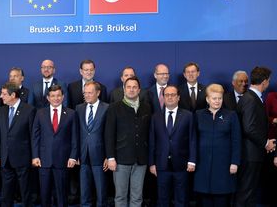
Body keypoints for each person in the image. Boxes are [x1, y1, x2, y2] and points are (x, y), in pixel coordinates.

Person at [105, 76, 151, 207]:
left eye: (134, 87)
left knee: (137, 197)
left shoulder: (146, 107)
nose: (132, 90)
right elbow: (109, 134)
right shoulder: (114, 108)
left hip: (141, 159)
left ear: (139, 90)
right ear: (124, 89)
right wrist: (110, 158)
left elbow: (149, 134)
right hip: (120, 159)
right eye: (129, 87)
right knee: (120, 196)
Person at [148, 85, 196, 207]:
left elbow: (192, 139)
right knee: (162, 199)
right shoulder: (155, 117)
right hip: (161, 165)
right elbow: (152, 141)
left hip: (182, 165)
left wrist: (192, 161)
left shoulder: (188, 116)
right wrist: (152, 163)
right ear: (163, 97)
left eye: (173, 95)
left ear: (178, 97)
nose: (170, 97)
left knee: (181, 199)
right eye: (167, 95)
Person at [194, 84, 241, 206]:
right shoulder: (198, 115)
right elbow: (193, 139)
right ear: (207, 99)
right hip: (202, 165)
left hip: (224, 166)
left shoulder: (231, 115)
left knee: (221, 200)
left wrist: (235, 162)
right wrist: (192, 161)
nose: (217, 101)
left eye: (219, 98)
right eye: (214, 98)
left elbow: (236, 140)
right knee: (204, 200)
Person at [235, 66, 275, 207]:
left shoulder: (251, 97)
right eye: (268, 81)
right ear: (264, 82)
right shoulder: (250, 99)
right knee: (245, 192)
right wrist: (266, 143)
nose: (268, 83)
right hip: (250, 154)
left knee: (250, 193)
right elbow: (249, 128)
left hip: (253, 154)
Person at [32, 84, 78, 207]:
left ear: (63, 97)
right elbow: (35, 136)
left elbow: (75, 137)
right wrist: (35, 156)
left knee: (62, 195)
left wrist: (73, 156)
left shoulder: (71, 113)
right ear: (48, 98)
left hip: (63, 160)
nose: (56, 98)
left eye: (58, 95)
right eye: (53, 96)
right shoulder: (40, 113)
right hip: (43, 160)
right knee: (45, 195)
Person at [0, 82, 36, 207]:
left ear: (13, 95)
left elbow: (33, 136)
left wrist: (34, 157)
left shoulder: (29, 110)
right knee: (6, 194)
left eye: (4, 94)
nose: (1, 96)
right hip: (5, 158)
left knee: (25, 192)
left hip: (23, 158)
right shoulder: (1, 110)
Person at [76, 81, 109, 207]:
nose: (87, 95)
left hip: (100, 156)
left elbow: (109, 134)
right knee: (84, 192)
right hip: (83, 156)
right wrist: (76, 154)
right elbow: (77, 133)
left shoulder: (107, 108)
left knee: (101, 192)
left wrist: (108, 156)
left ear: (98, 93)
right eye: (85, 93)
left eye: (90, 93)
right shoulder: (79, 108)